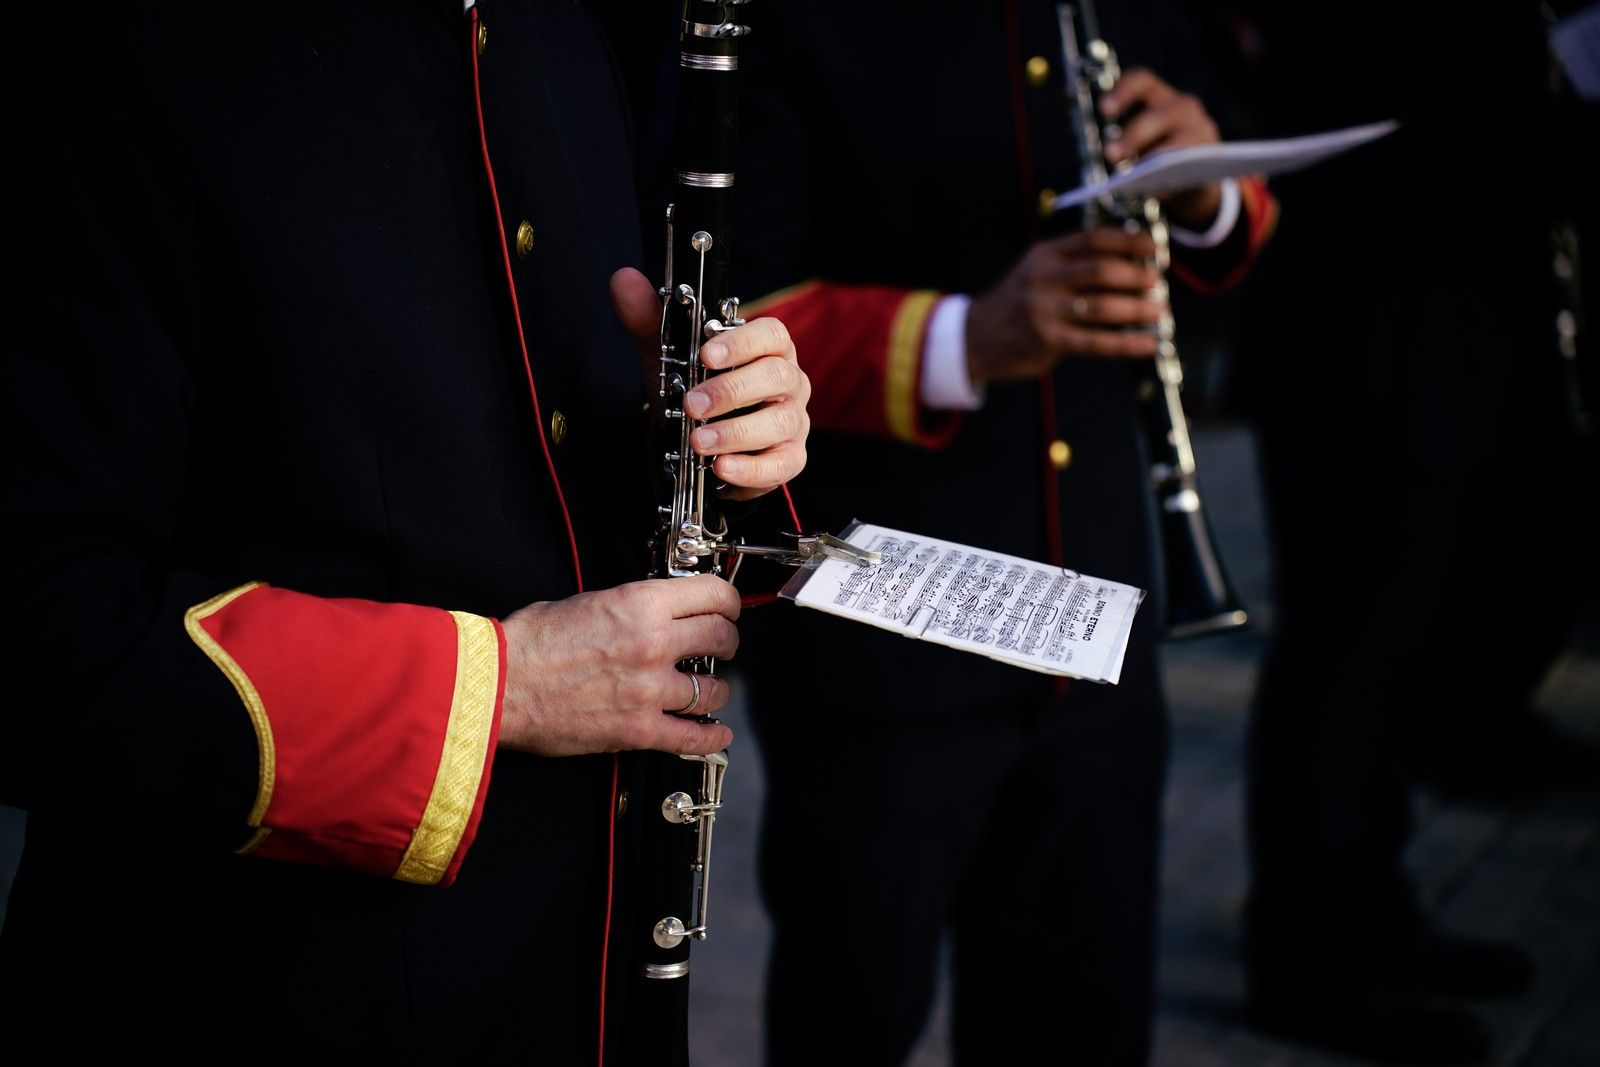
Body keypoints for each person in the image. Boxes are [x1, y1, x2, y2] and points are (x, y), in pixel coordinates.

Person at [0, 3, 810, 1062]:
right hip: (260, 992)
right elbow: (37, 620)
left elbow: (522, 468)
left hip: (583, 967)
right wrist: (503, 689)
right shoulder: (113, 55)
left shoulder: (556, 32)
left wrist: (711, 431)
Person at [682, 2, 1278, 1063]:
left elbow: (1230, 207)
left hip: (1097, 603)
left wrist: (1204, 191)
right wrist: (961, 336)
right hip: (880, 627)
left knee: (1084, 1013)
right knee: (854, 1009)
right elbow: (720, 310)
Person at [1230, 1, 1600, 1061]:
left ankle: (1370, 898)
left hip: (1419, 331)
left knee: (1385, 661)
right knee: (1345, 661)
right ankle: (1308, 945)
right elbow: (1473, 105)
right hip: (1368, 339)